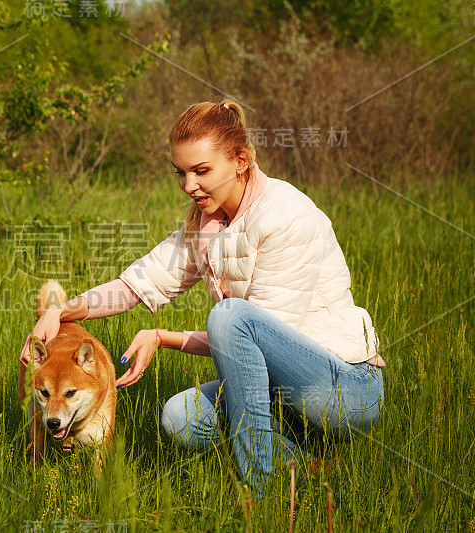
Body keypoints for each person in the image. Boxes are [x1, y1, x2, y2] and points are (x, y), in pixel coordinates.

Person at [19, 99, 385, 495]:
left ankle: (258, 492)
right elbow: (137, 284)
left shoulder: (286, 215)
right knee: (180, 418)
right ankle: (304, 466)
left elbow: (252, 335)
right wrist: (62, 310)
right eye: (181, 172)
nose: (188, 185)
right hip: (281, 389)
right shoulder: (206, 224)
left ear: (241, 160)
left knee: (229, 316)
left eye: (201, 171)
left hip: (341, 389)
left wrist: (163, 336)